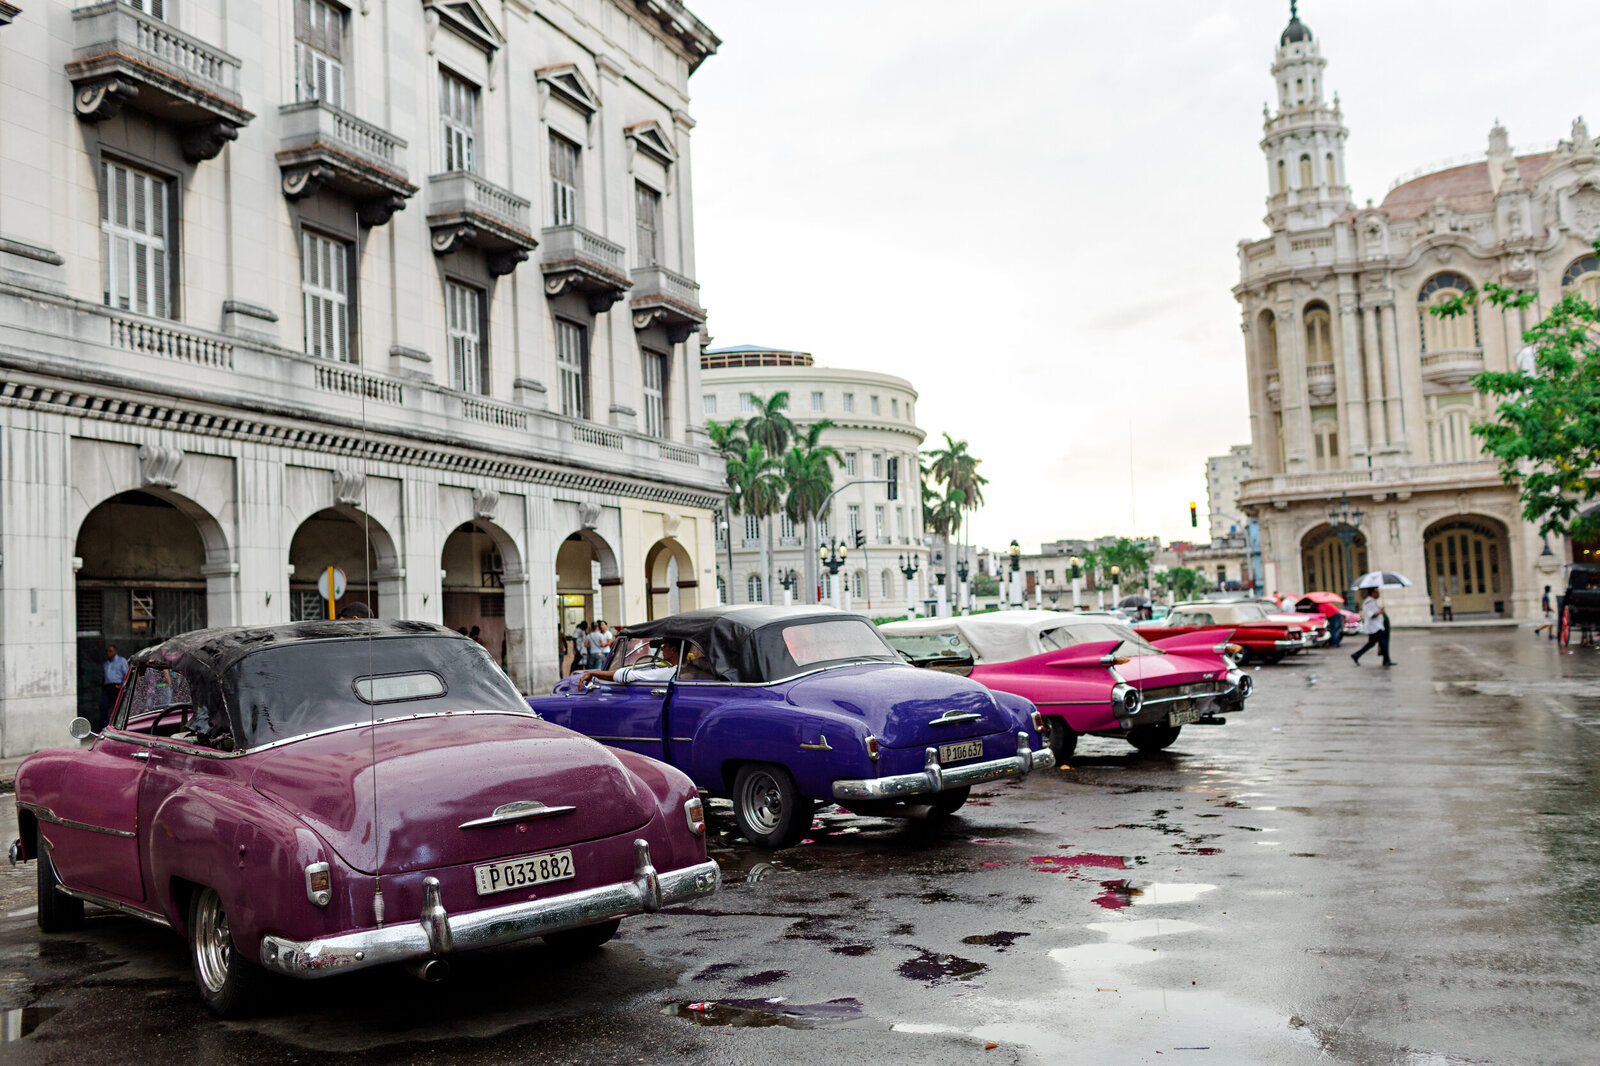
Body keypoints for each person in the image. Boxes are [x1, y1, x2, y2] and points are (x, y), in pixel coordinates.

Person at [579, 639, 679, 688]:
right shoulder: (683, 669)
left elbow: (626, 675)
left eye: (664, 646)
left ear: (673, 650)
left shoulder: (668, 672)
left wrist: (593, 673)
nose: (661, 649)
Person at [1350, 589, 1394, 667]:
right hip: (1375, 627)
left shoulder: (1372, 601)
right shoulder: (1369, 602)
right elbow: (1371, 615)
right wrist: (1380, 612)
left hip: (1376, 627)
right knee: (1383, 643)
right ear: (1372, 593)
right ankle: (1386, 660)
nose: (1378, 594)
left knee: (1371, 643)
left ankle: (1356, 655)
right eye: (1376, 592)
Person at [99, 644, 129, 730]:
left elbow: (126, 674)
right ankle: (104, 726)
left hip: (117, 686)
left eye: (110, 651)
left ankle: (119, 726)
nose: (108, 653)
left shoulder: (121, 660)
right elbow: (104, 676)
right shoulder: (106, 663)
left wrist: (122, 685)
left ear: (115, 652)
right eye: (107, 651)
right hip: (107, 687)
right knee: (103, 706)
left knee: (118, 707)